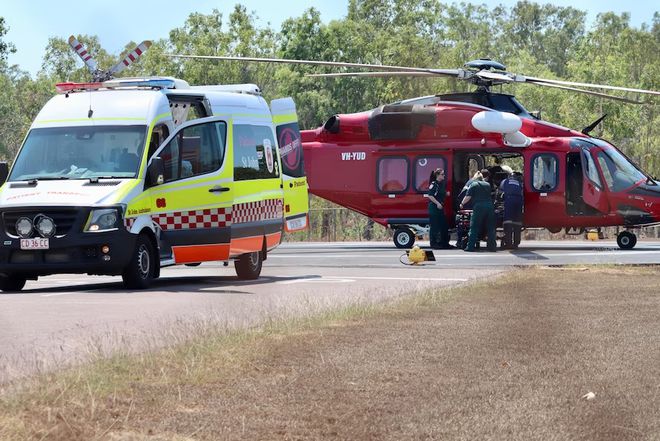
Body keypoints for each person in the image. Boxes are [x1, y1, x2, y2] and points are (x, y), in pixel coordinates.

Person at [460, 169, 497, 252]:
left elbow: (467, 197)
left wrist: (462, 204)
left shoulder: (473, 185)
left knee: (474, 227)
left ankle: (470, 247)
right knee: (490, 228)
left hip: (479, 207)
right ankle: (492, 247)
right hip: (489, 207)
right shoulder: (487, 184)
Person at [427, 168, 452, 249]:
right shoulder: (434, 184)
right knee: (434, 227)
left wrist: (446, 193)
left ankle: (445, 243)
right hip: (434, 209)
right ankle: (434, 244)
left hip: (440, 209)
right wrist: (437, 203)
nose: (443, 175)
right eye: (442, 174)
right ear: (438, 175)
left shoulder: (441, 184)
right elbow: (430, 195)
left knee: (444, 226)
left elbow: (440, 193)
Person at [499, 171, 524, 249]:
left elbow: (500, 192)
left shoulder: (505, 181)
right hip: (519, 201)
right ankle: (516, 243)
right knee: (517, 223)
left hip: (509, 200)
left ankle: (508, 243)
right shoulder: (519, 183)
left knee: (508, 222)